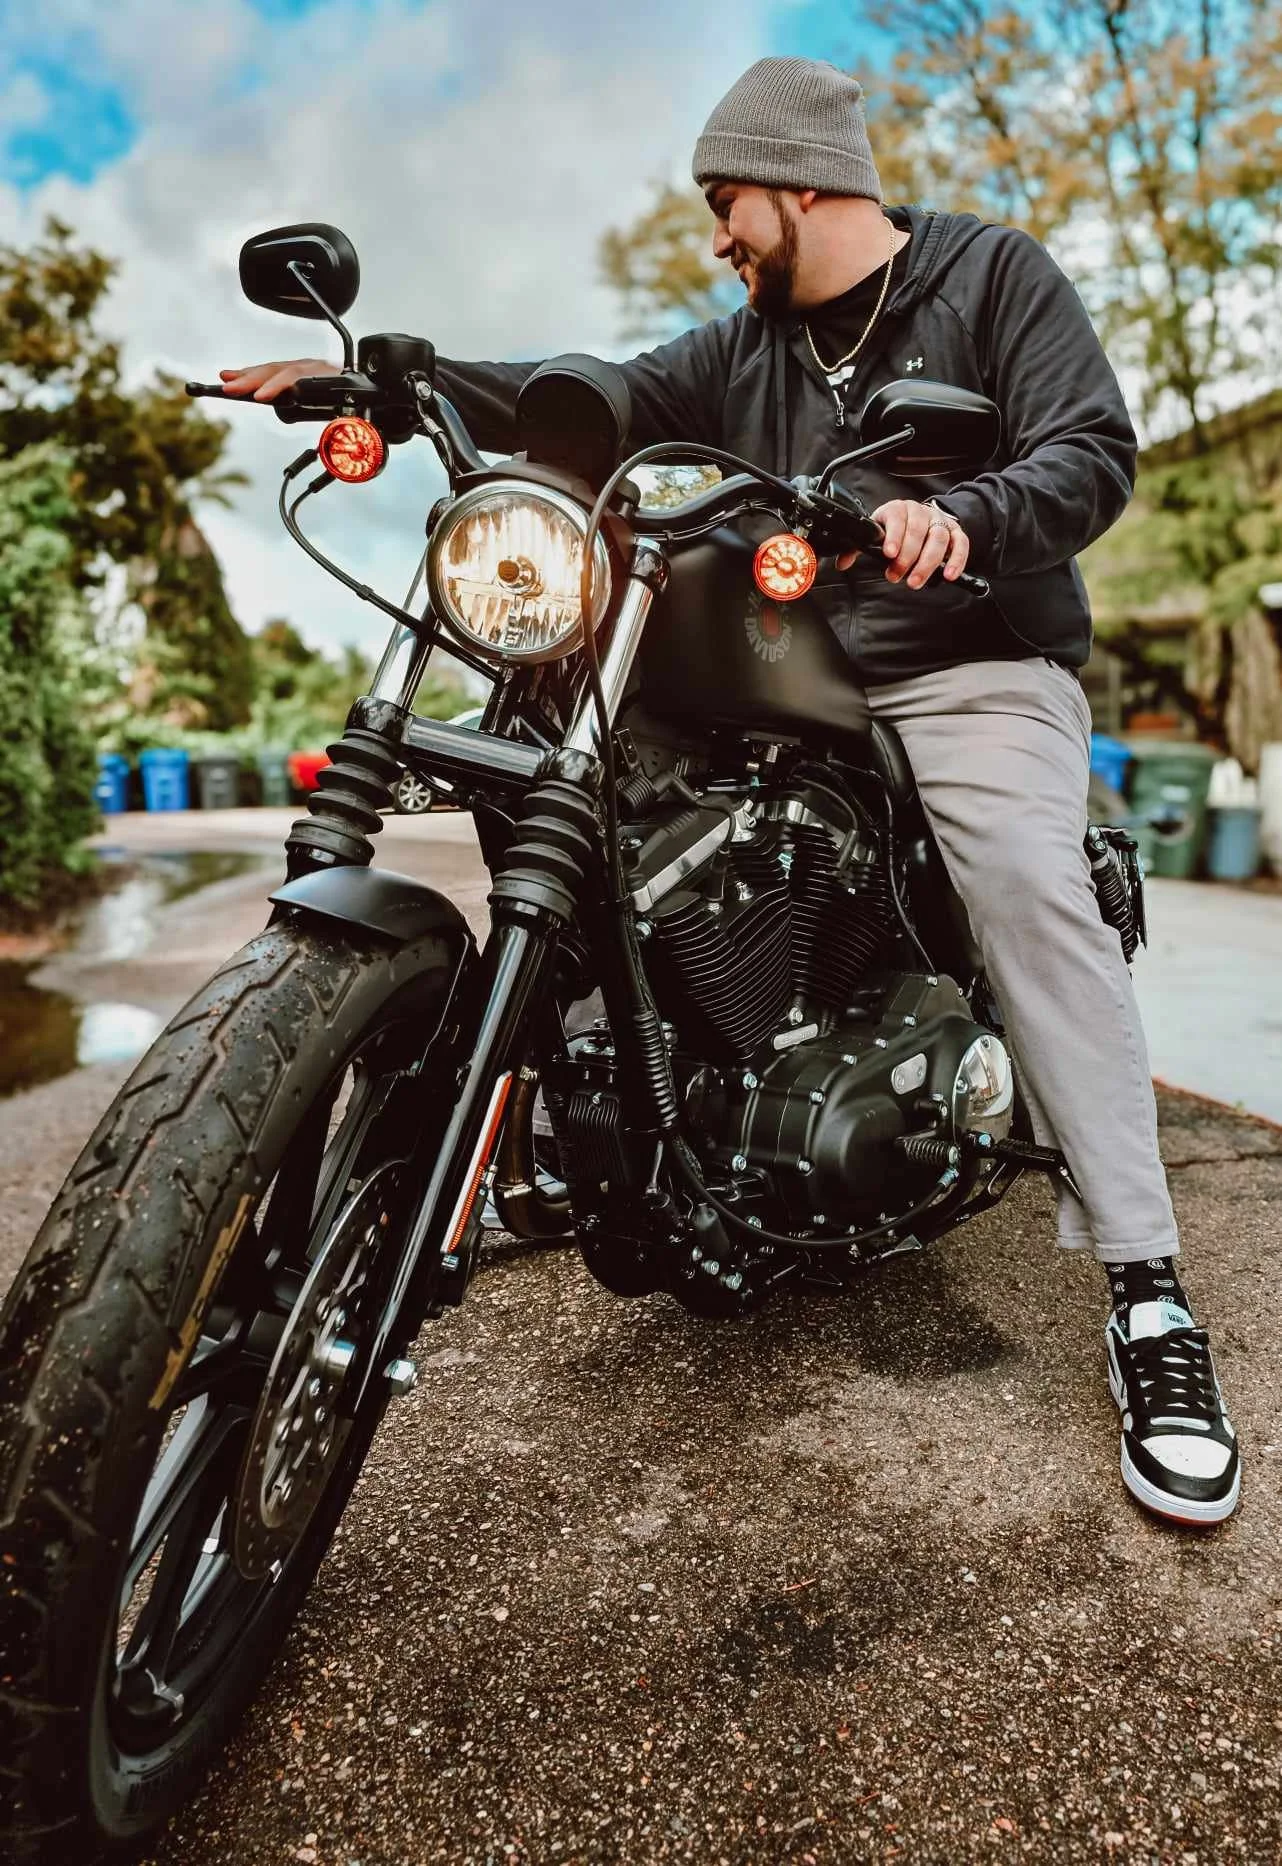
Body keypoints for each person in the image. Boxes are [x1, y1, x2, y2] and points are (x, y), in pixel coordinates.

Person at [221, 56, 1239, 1526]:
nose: (717, 236)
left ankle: (1148, 1297)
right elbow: (599, 392)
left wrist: (956, 518)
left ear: (803, 180)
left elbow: (1090, 449)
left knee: (1026, 878)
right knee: (591, 766)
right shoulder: (740, 348)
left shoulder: (988, 275)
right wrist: (392, 370)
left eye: (726, 203)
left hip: (964, 655)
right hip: (800, 653)